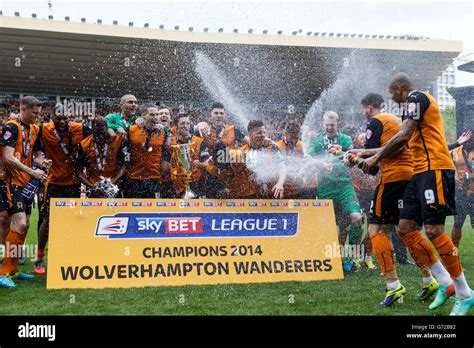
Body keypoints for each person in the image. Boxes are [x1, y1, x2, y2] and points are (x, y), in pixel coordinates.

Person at [362, 73, 473, 315]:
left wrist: (374, 158)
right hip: (418, 173)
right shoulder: (412, 109)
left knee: (434, 230)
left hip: (434, 169)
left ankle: (465, 293)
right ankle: (444, 282)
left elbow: (402, 136)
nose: (391, 97)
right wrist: (364, 153)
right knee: (405, 228)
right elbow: (402, 142)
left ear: (400, 88)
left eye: (392, 93)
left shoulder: (417, 97)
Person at [348, 93, 439, 306]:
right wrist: (358, 155)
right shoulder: (396, 120)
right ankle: (429, 278)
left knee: (377, 230)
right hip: (411, 177)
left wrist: (354, 159)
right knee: (406, 230)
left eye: (363, 109)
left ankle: (393, 285)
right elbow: (386, 151)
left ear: (368, 107)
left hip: (393, 179)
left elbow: (372, 166)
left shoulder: (375, 121)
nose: (364, 114)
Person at [0, 96, 50, 288]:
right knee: (19, 223)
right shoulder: (11, 126)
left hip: (26, 183)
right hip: (11, 182)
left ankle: (13, 270)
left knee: (26, 225)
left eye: (39, 113)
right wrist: (32, 172)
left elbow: (36, 155)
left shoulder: (35, 129)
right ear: (23, 108)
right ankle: (3, 271)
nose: (37, 116)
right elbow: (8, 157)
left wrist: (42, 163)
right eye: (34, 113)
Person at [35, 111, 91, 275]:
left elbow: (100, 130)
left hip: (73, 182)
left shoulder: (80, 128)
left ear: (70, 118)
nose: (62, 121)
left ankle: (67, 255)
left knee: (72, 220)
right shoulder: (43, 129)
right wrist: (41, 162)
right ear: (51, 118)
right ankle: (39, 257)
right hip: (53, 182)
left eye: (65, 118)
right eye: (58, 118)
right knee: (47, 220)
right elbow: (36, 152)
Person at [307, 111, 364, 272]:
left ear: (337, 124)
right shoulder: (316, 140)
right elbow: (309, 157)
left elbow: (352, 157)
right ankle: (330, 258)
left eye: (332, 125)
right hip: (325, 188)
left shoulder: (345, 139)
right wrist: (321, 164)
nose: (329, 127)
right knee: (330, 226)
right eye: (327, 124)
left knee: (357, 218)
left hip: (344, 186)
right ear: (323, 124)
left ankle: (350, 257)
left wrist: (340, 162)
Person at [122, 103, 171, 198]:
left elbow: (166, 151)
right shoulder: (131, 130)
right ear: (143, 116)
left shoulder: (163, 132)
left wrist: (165, 163)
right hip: (134, 178)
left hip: (154, 179)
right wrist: (126, 166)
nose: (156, 117)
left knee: (153, 210)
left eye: (157, 115)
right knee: (133, 209)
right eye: (152, 115)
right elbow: (124, 151)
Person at [76, 116, 128, 198]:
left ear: (107, 128)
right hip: (93, 188)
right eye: (97, 130)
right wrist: (92, 186)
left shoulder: (118, 141)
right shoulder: (84, 145)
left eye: (102, 130)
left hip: (115, 186)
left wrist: (112, 182)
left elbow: (125, 164)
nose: (100, 134)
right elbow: (78, 170)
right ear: (92, 129)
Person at [169, 113, 213, 198]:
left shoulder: (199, 141)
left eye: (188, 123)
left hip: (196, 184)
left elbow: (206, 160)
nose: (186, 126)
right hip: (177, 186)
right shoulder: (171, 142)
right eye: (182, 123)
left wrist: (201, 164)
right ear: (176, 126)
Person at [450, 131, 474, 247]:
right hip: (460, 193)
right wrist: (453, 177)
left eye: (471, 137)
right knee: (458, 222)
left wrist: (471, 177)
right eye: (466, 136)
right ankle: (454, 250)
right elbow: (448, 167)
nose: (468, 139)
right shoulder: (455, 151)